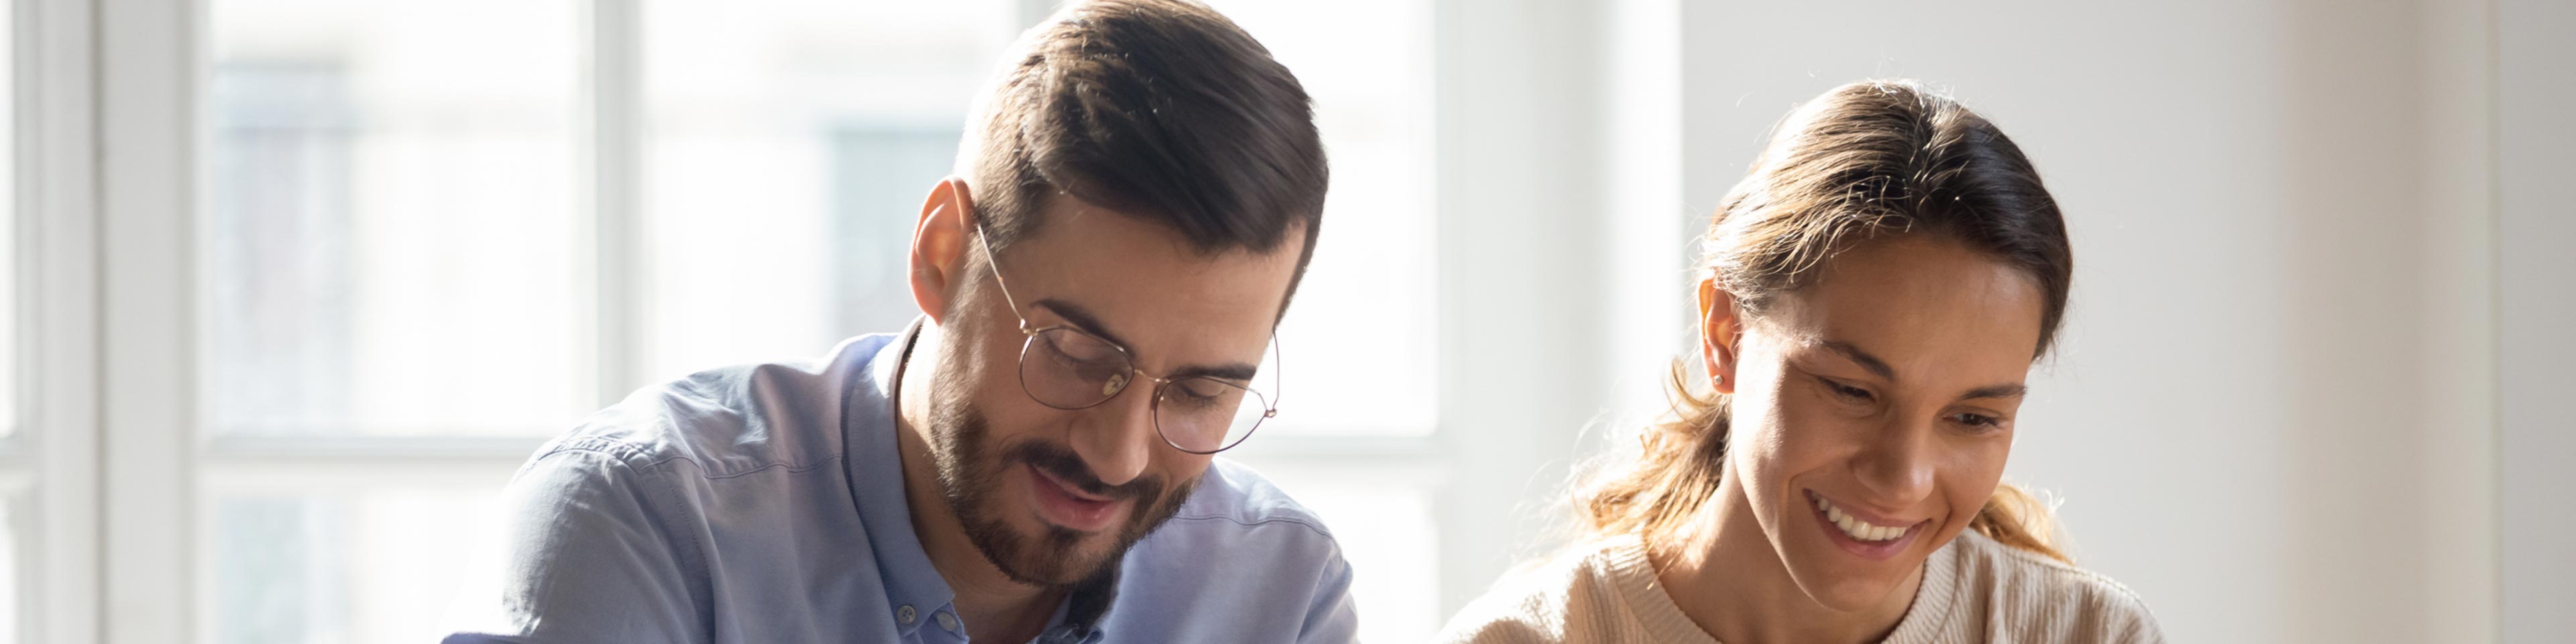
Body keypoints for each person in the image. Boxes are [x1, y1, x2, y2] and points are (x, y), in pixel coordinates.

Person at [443, 1, 1356, 642]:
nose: (1117, 457)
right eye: (1077, 354)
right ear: (943, 255)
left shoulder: (1281, 594)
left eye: (1201, 392)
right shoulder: (645, 526)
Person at [1437, 80, 2162, 643]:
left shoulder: (2088, 634)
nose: (1903, 479)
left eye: (1972, 417)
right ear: (1726, 334)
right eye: (1852, 390)